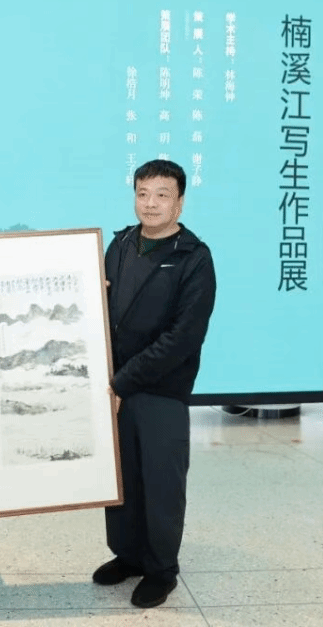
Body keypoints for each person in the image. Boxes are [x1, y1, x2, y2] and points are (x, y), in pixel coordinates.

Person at [92, 159, 216, 609]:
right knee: (121, 478)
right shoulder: (121, 243)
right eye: (142, 193)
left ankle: (162, 569)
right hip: (115, 387)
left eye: (162, 195)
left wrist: (124, 381)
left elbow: (183, 337)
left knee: (161, 482)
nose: (150, 203)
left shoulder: (193, 257)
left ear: (179, 202)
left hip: (161, 388)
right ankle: (128, 555)